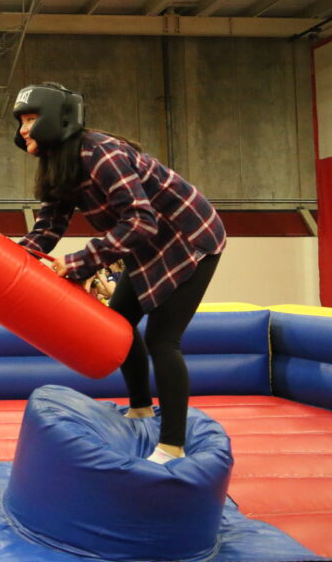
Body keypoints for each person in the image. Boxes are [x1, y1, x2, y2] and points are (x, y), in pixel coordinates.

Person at [12, 82, 225, 465]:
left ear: (56, 121)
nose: (23, 129)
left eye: (31, 119)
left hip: (189, 237)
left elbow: (140, 220)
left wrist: (79, 262)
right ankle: (141, 408)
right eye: (21, 121)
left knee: (163, 339)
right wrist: (14, 258)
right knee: (119, 324)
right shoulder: (60, 164)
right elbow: (49, 226)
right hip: (145, 246)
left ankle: (172, 444)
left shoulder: (101, 153)